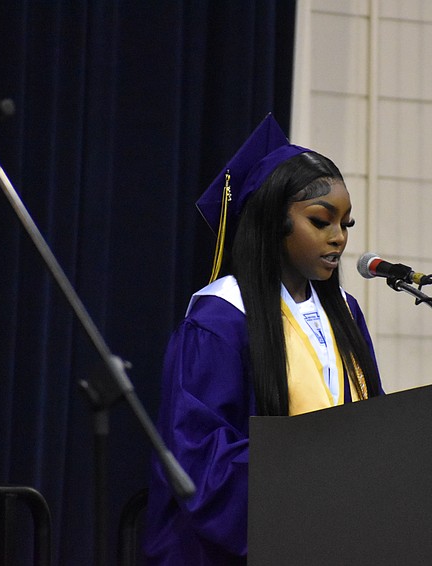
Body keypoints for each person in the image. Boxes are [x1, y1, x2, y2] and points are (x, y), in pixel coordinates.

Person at [144, 115, 384, 564]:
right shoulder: (221, 319)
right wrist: (314, 486)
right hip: (245, 545)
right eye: (321, 221)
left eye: (346, 224)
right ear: (274, 223)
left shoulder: (345, 312)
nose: (338, 238)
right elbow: (200, 456)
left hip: (338, 536)